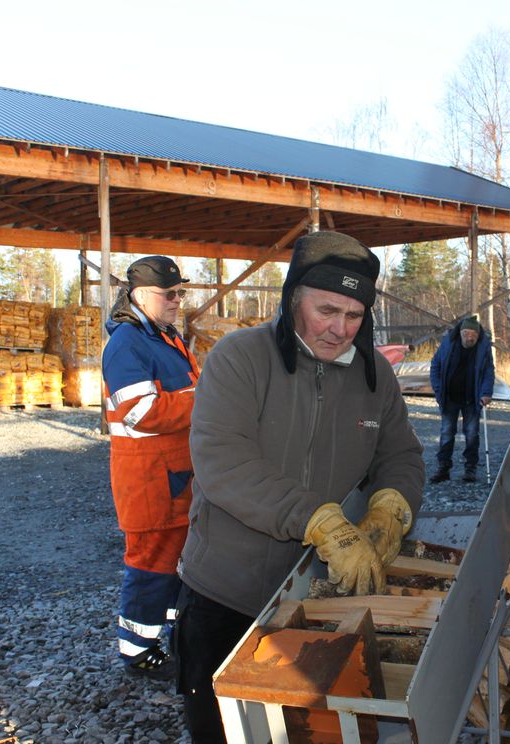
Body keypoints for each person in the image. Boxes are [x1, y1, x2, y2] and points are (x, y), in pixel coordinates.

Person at [175, 230, 425, 742]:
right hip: (228, 592)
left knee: (311, 730)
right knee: (222, 732)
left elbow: (400, 455)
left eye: (354, 316)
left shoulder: (375, 373)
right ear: (293, 300)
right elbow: (222, 461)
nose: (339, 329)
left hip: (316, 595)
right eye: (326, 310)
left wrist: (390, 506)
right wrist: (319, 519)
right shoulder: (240, 357)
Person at [101, 255, 198, 680]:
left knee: (177, 564)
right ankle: (138, 653)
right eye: (170, 294)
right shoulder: (127, 342)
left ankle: (177, 638)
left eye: (180, 292)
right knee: (150, 566)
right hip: (150, 481)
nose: (178, 300)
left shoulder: (163, 336)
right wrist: (208, 398)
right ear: (141, 295)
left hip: (176, 477)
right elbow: (140, 412)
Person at [428, 315, 495, 483]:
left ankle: (470, 469)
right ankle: (443, 468)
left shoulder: (483, 347)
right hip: (449, 396)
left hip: (472, 398)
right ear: (460, 332)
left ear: (478, 335)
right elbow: (435, 365)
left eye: (473, 334)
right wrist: (438, 390)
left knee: (472, 433)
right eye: (466, 333)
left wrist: (486, 393)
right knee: (446, 433)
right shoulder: (448, 343)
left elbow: (488, 371)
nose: (469, 337)